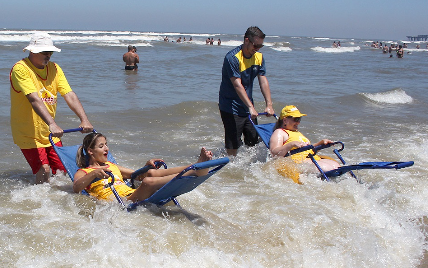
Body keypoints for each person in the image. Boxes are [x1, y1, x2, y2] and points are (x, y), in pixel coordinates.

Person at [9, 32, 93, 184]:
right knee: (44, 170)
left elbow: (69, 94)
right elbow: (34, 99)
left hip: (49, 132)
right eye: (45, 52)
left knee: (63, 170)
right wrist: (52, 124)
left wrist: (84, 120)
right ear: (33, 51)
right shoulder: (20, 69)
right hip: (28, 133)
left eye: (50, 52)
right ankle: (40, 203)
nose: (49, 55)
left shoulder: (55, 68)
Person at [73, 132, 213, 202]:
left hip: (130, 194)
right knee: (147, 182)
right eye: (101, 146)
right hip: (120, 202)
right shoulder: (84, 172)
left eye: (106, 144)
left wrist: (146, 166)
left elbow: (137, 175)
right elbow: (76, 187)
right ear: (90, 151)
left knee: (150, 174)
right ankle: (194, 172)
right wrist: (94, 174)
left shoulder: (111, 165)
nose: (106, 149)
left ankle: (194, 166)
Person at [218, 26, 275, 156]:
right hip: (230, 107)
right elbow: (237, 85)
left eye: (261, 46)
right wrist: (250, 107)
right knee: (233, 146)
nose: (258, 49)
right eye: (256, 45)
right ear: (247, 40)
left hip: (248, 106)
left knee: (253, 143)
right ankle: (230, 169)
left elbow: (263, 80)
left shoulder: (259, 57)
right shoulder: (232, 58)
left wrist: (269, 105)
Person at [269, 105, 340, 175]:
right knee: (327, 168)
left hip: (310, 158)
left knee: (336, 166)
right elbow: (274, 154)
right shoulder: (280, 132)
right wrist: (291, 144)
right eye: (296, 119)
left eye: (299, 119)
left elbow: (308, 149)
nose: (298, 122)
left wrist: (320, 143)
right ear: (285, 120)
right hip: (297, 162)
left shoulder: (297, 133)